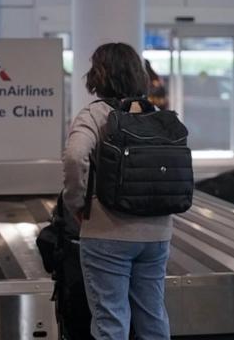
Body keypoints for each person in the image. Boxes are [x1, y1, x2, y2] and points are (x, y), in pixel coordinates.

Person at [62, 42, 172, 340]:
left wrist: (76, 202)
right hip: (157, 234)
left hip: (107, 232)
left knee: (111, 320)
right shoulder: (158, 116)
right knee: (153, 319)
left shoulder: (96, 115)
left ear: (99, 75)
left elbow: (74, 156)